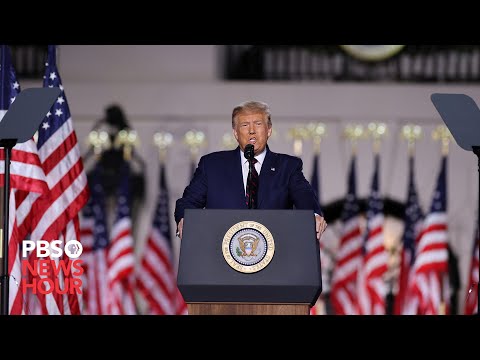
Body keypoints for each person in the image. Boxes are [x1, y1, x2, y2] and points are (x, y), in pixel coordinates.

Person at [174, 100, 327, 239]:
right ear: (235, 133)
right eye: (245, 125)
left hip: (274, 255)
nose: (252, 130)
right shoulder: (212, 165)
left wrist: (313, 215)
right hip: (220, 254)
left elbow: (304, 196)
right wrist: (184, 218)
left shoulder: (288, 166)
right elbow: (188, 202)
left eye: (258, 124)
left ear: (269, 130)